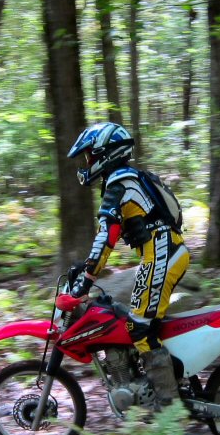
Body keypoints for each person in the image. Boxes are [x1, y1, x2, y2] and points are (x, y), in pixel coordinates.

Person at [56, 122, 189, 407]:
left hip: (162, 255)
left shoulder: (119, 182)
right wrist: (86, 268)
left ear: (106, 153)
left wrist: (85, 282)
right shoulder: (128, 179)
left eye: (90, 156)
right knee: (134, 321)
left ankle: (170, 412)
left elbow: (107, 236)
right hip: (161, 255)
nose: (87, 163)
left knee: (140, 329)